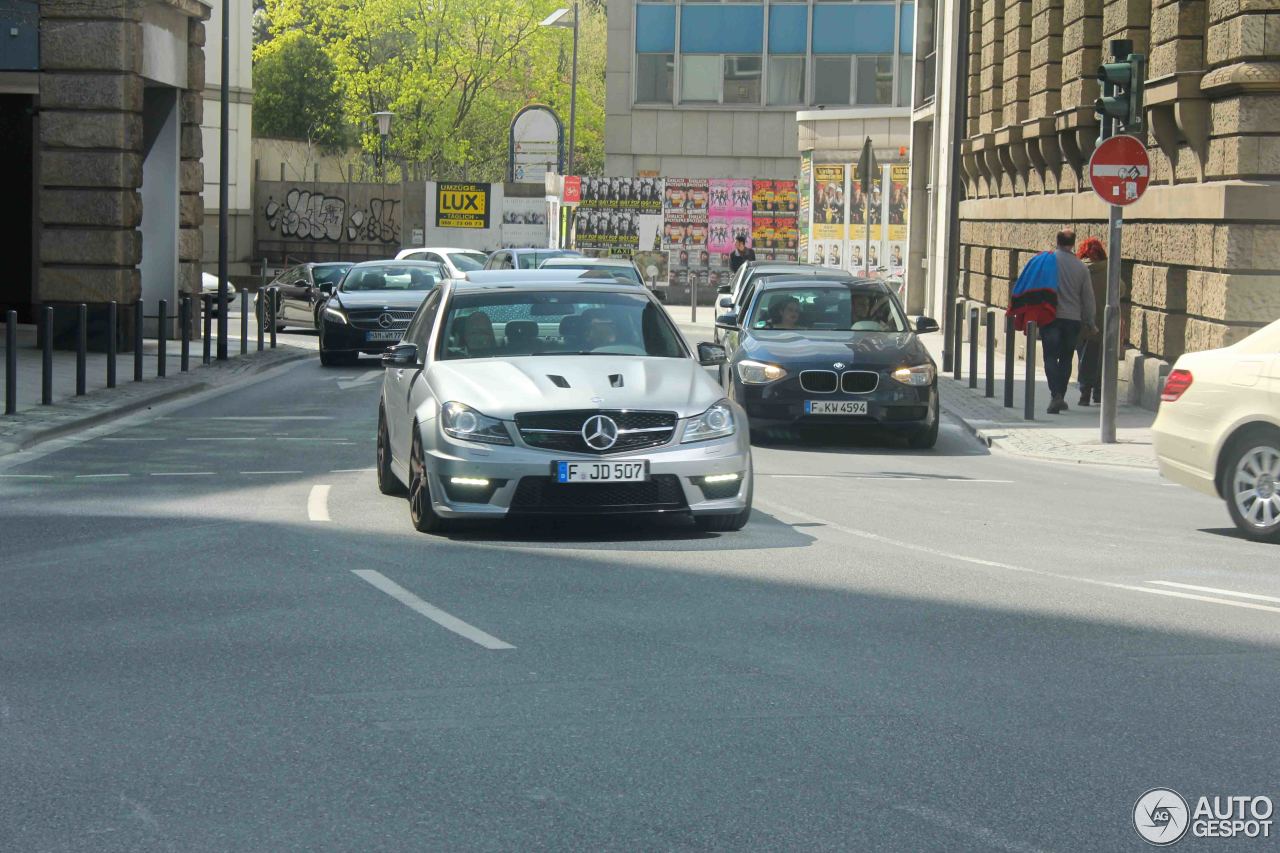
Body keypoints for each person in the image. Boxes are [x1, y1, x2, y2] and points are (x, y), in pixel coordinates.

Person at [1040, 229, 1096, 413]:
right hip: (1072, 319)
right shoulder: (1081, 267)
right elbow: (1088, 297)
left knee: (1049, 356)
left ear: (1056, 241)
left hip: (1050, 317)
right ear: (1073, 244)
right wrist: (1090, 321)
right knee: (1065, 359)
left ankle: (1055, 395)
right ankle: (1060, 396)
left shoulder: (1047, 261)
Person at [1075, 237, 1108, 406]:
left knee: (1084, 356)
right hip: (1102, 321)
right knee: (1099, 358)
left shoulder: (1079, 270)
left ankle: (1085, 391)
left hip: (1081, 321)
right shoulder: (1108, 270)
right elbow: (1121, 289)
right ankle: (1098, 391)